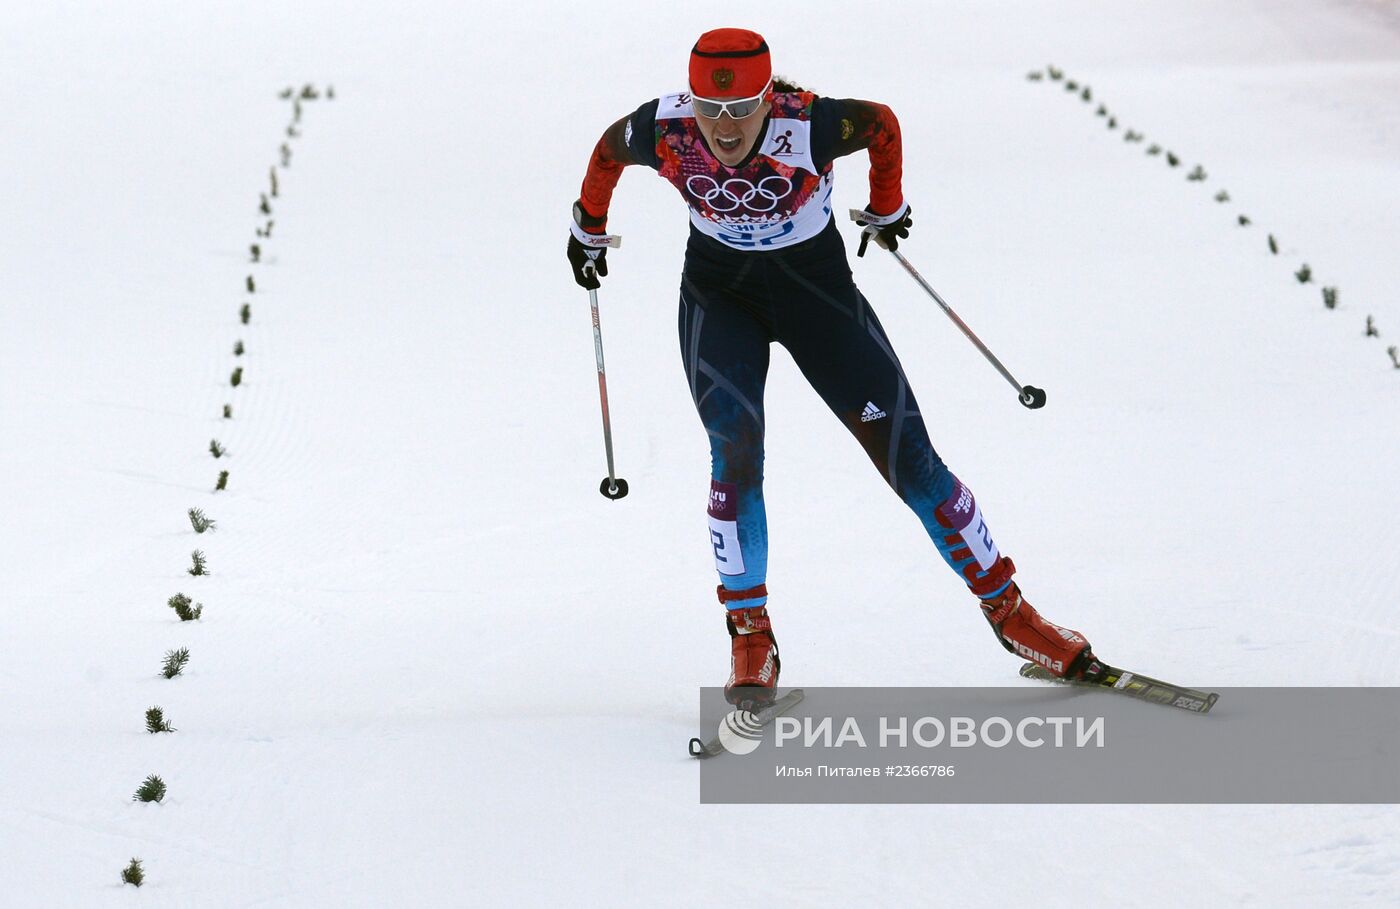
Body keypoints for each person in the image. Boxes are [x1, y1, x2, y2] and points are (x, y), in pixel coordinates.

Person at [568, 28, 1102, 708]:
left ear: (770, 96)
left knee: (911, 460)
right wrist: (586, 226)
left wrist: (887, 204)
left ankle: (1011, 613)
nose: (724, 127)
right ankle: (750, 636)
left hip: (815, 294)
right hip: (719, 295)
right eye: (710, 108)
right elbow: (608, 151)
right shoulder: (664, 127)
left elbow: (882, 125)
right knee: (734, 450)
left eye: (742, 109)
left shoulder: (811, 124)